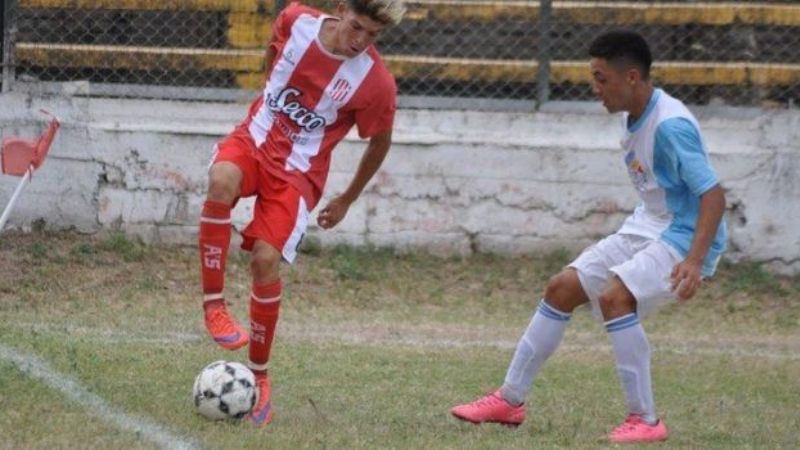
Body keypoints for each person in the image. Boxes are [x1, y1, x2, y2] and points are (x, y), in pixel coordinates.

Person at [449, 30, 727, 444]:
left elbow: (713, 195)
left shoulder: (670, 127)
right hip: (650, 223)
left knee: (616, 298)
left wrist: (693, 260)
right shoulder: (634, 115)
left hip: (683, 233)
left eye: (601, 78)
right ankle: (509, 400)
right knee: (561, 288)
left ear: (631, 76)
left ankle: (645, 420)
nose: (594, 88)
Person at [198, 0, 406, 427]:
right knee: (221, 181)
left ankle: (260, 377)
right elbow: (274, 54)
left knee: (266, 262)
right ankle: (214, 306)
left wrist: (347, 198)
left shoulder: (376, 82)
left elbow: (380, 142)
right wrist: (267, 92)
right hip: (254, 140)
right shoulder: (294, 20)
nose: (361, 41)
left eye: (373, 35)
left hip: (298, 174)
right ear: (341, 9)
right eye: (357, 27)